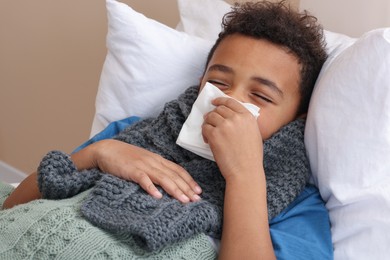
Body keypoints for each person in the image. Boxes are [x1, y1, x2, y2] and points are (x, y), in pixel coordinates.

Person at [1, 1, 331, 259]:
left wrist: (244, 175)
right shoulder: (134, 135)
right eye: (217, 83)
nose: (228, 101)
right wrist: (97, 153)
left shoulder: (298, 203)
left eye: (260, 96)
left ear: (296, 119)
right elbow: (12, 206)